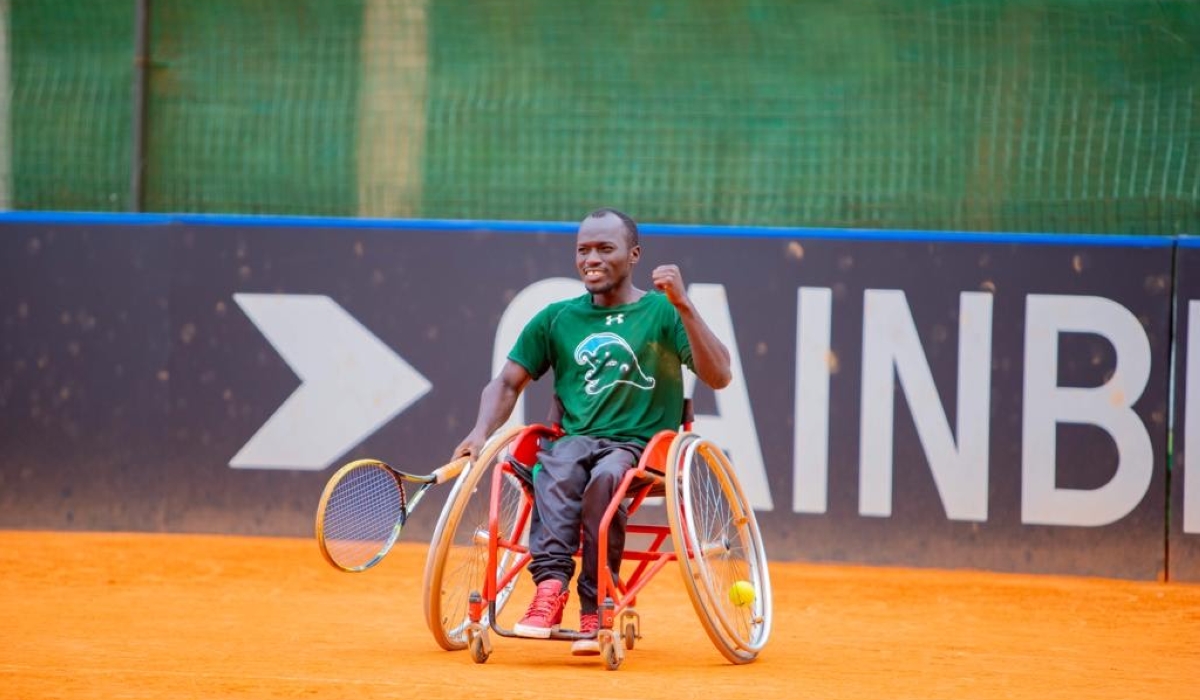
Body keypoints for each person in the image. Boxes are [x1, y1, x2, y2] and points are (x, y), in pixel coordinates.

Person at [452, 207, 732, 655]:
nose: (592, 259)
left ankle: (596, 600)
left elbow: (719, 376)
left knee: (606, 479)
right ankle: (549, 589)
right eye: (583, 250)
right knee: (555, 466)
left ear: (634, 254)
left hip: (640, 448)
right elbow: (507, 382)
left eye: (605, 248)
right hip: (576, 440)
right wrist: (480, 431)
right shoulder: (557, 318)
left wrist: (684, 305)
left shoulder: (662, 312)